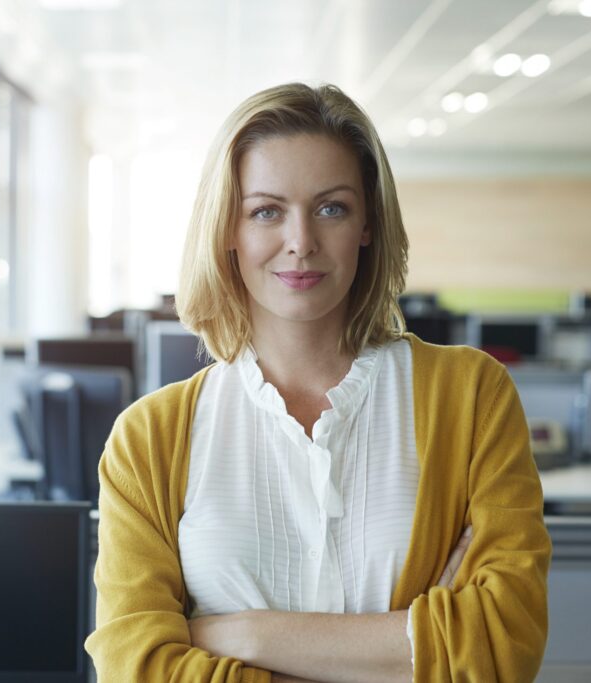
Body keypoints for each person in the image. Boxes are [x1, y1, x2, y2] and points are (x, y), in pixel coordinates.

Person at [84, 82, 550, 682]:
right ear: (229, 229)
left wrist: (239, 633)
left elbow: (502, 647)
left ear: (367, 224)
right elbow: (136, 669)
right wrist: (414, 648)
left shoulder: (471, 397)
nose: (300, 242)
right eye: (266, 211)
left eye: (331, 207)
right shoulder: (149, 439)